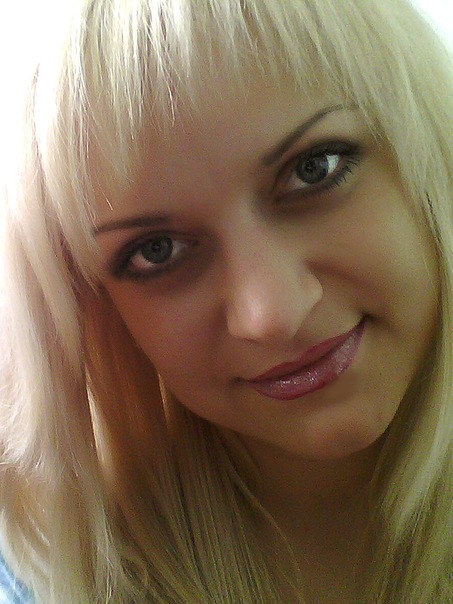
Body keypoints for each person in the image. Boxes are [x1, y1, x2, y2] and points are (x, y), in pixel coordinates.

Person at [0, 0, 452, 602]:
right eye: (157, 251)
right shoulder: (58, 577)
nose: (272, 315)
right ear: (97, 310)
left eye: (313, 170)